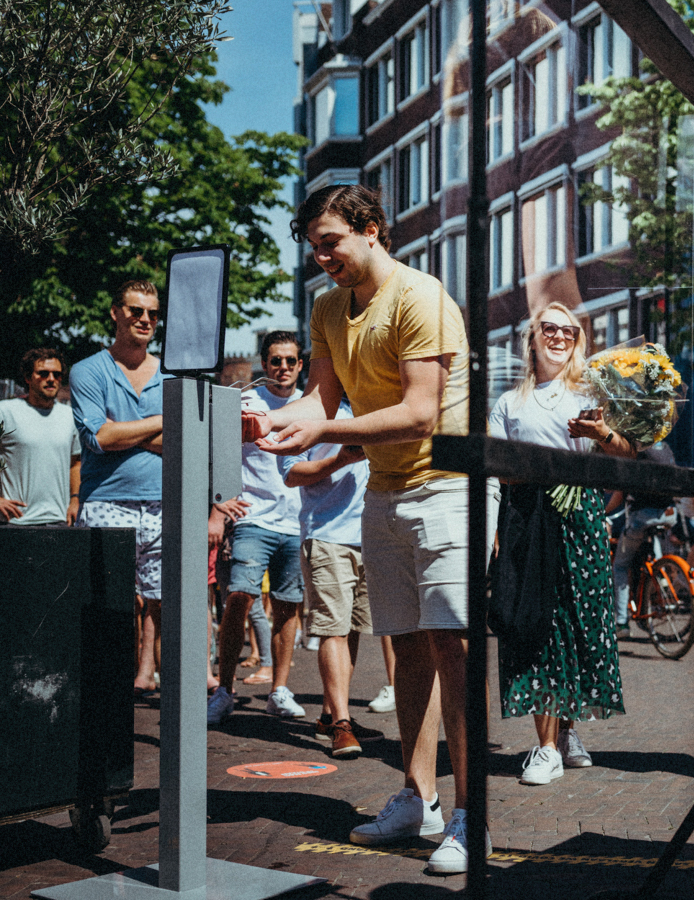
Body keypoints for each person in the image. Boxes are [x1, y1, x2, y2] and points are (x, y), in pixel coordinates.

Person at [243, 184, 498, 875]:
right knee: (407, 647)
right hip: (385, 489)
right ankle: (419, 798)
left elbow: (419, 412)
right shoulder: (328, 307)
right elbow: (319, 398)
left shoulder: (421, 297)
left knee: (455, 648)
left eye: (332, 241)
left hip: (449, 484)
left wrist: (320, 430)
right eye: (314, 245)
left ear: (373, 230)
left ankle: (472, 815)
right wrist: (269, 420)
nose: (322, 256)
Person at [488, 302, 629, 786]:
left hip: (582, 519)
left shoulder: (592, 392)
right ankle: (545, 745)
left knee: (578, 625)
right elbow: (495, 466)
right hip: (529, 517)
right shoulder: (509, 403)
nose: (558, 337)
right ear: (532, 338)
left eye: (568, 331)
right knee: (539, 624)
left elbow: (626, 453)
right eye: (548, 328)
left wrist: (601, 432)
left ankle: (565, 733)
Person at [71, 280, 168, 697]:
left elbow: (185, 443)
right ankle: (105, 686)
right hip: (108, 500)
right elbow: (99, 439)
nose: (145, 319)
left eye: (152, 313)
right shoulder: (88, 370)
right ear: (115, 313)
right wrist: (165, 422)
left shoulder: (171, 370)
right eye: (135, 311)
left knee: (160, 599)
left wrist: (123, 431)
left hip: (165, 501)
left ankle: (144, 673)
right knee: (109, 603)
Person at [207, 332, 309, 725]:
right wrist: (218, 504)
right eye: (275, 360)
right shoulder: (246, 402)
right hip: (252, 517)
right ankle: (225, 692)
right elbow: (218, 452)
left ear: (300, 365)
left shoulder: (311, 404)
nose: (283, 367)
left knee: (286, 605)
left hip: (296, 519)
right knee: (240, 598)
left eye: (290, 361)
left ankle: (279, 690)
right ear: (263, 364)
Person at [280, 398, 384, 757]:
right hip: (327, 535)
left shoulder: (373, 399)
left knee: (351, 629)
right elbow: (291, 474)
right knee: (333, 629)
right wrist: (341, 459)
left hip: (370, 532)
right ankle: (341, 723)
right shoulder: (305, 410)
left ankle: (330, 715)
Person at [0, 348, 81, 527]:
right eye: (43, 373)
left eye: (57, 375)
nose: (51, 379)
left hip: (59, 523)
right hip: (16, 523)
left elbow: (75, 462)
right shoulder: (7, 411)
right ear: (28, 378)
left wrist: (75, 499)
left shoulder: (69, 416)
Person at [609, 442, 678, 638]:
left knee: (621, 566)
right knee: (647, 552)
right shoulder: (665, 447)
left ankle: (621, 623)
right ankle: (657, 575)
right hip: (668, 514)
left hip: (642, 517)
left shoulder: (634, 452)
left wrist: (602, 513)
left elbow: (619, 495)